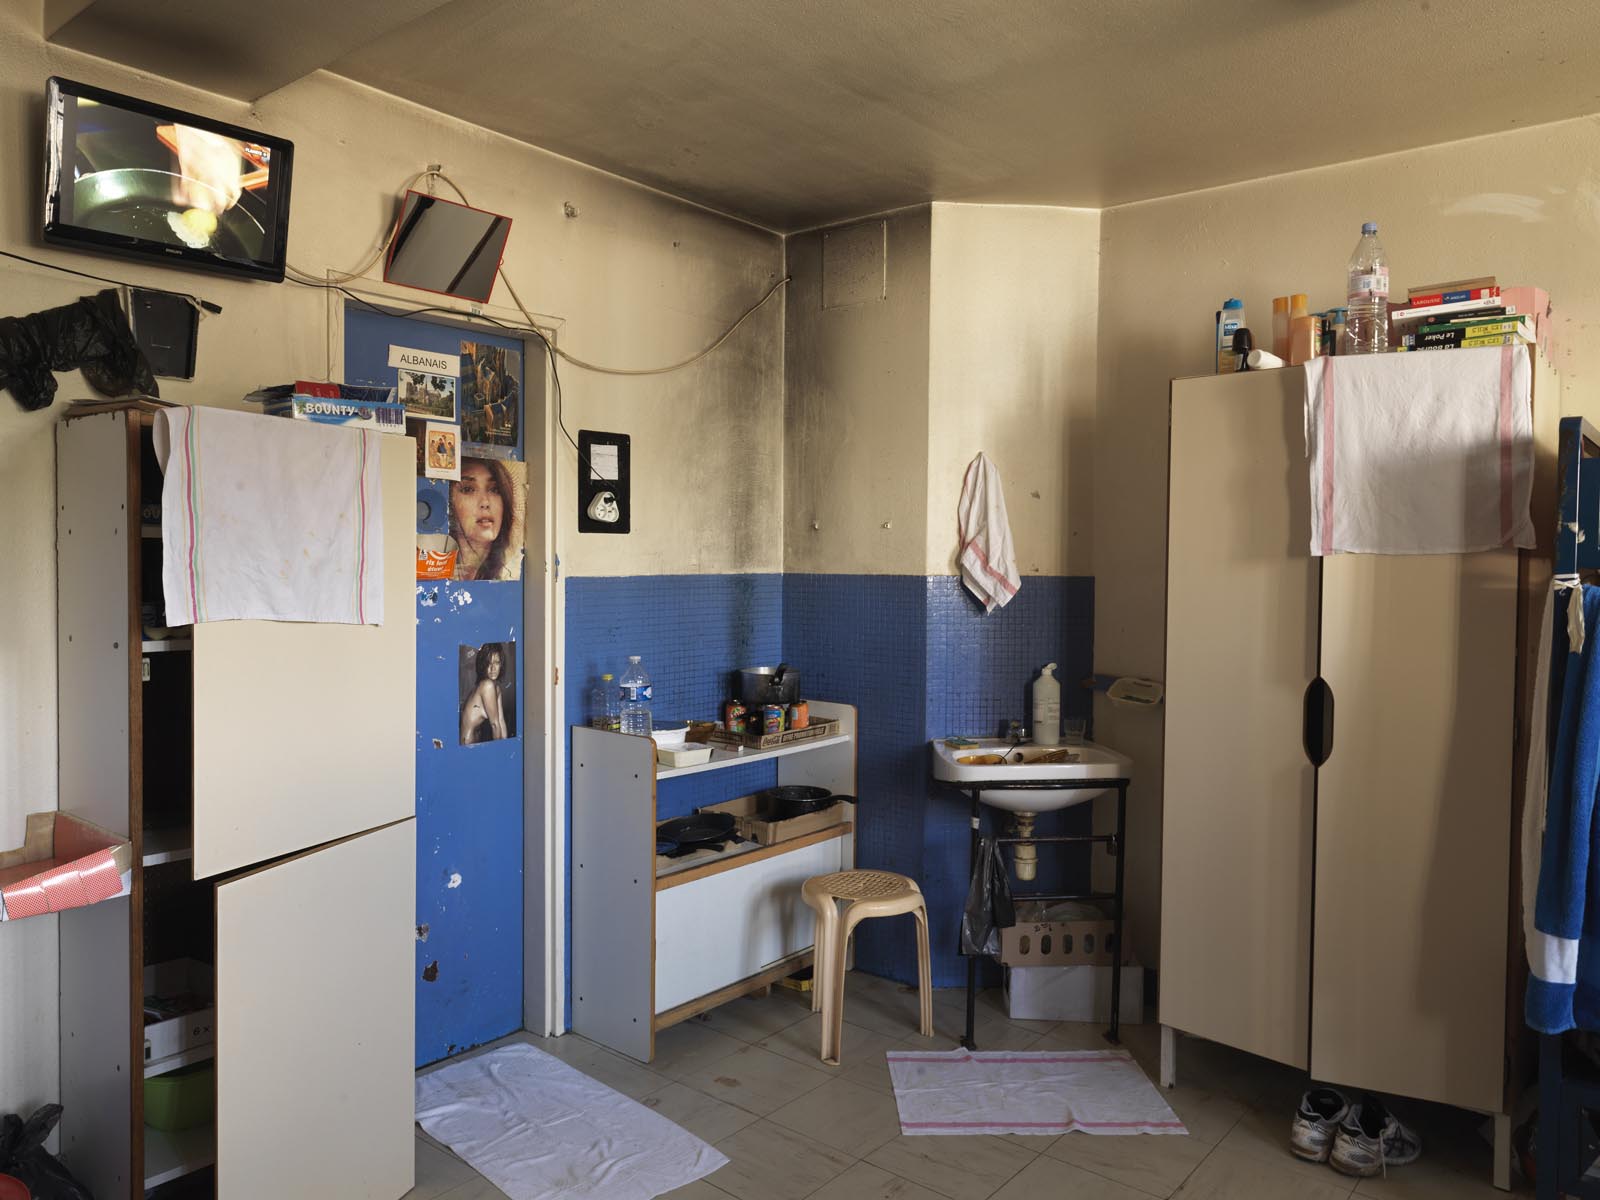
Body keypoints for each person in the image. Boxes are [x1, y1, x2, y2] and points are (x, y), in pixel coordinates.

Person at [449, 457, 519, 580]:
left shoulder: (514, 576)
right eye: (468, 489)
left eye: (494, 489)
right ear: (450, 502)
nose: (485, 502)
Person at [460, 645, 508, 744]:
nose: (492, 668)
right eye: (488, 663)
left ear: (501, 665)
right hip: (467, 743)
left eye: (497, 663)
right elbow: (494, 725)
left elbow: (501, 720)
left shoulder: (496, 688)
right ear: (483, 665)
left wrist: (506, 747)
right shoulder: (487, 686)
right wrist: (500, 751)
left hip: (476, 740)